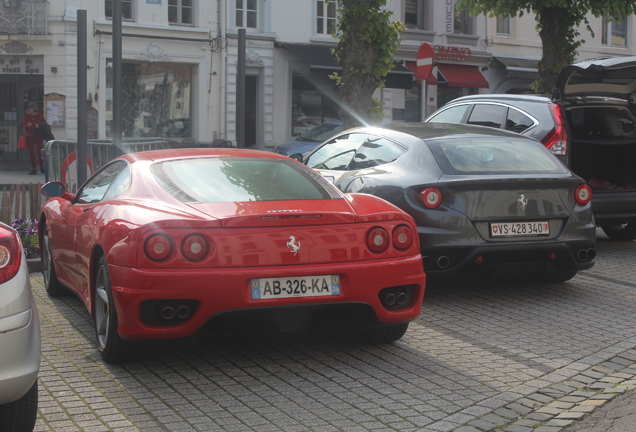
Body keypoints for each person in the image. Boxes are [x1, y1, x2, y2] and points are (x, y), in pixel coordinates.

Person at [22, 102, 46, 175]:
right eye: (29, 108)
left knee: (40, 152)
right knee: (32, 153)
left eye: (32, 108)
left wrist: (39, 126)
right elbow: (24, 127)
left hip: (38, 136)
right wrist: (27, 126)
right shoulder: (27, 116)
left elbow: (44, 125)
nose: (30, 109)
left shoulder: (39, 115)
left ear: (35, 108)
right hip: (30, 136)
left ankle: (42, 167)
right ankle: (34, 168)